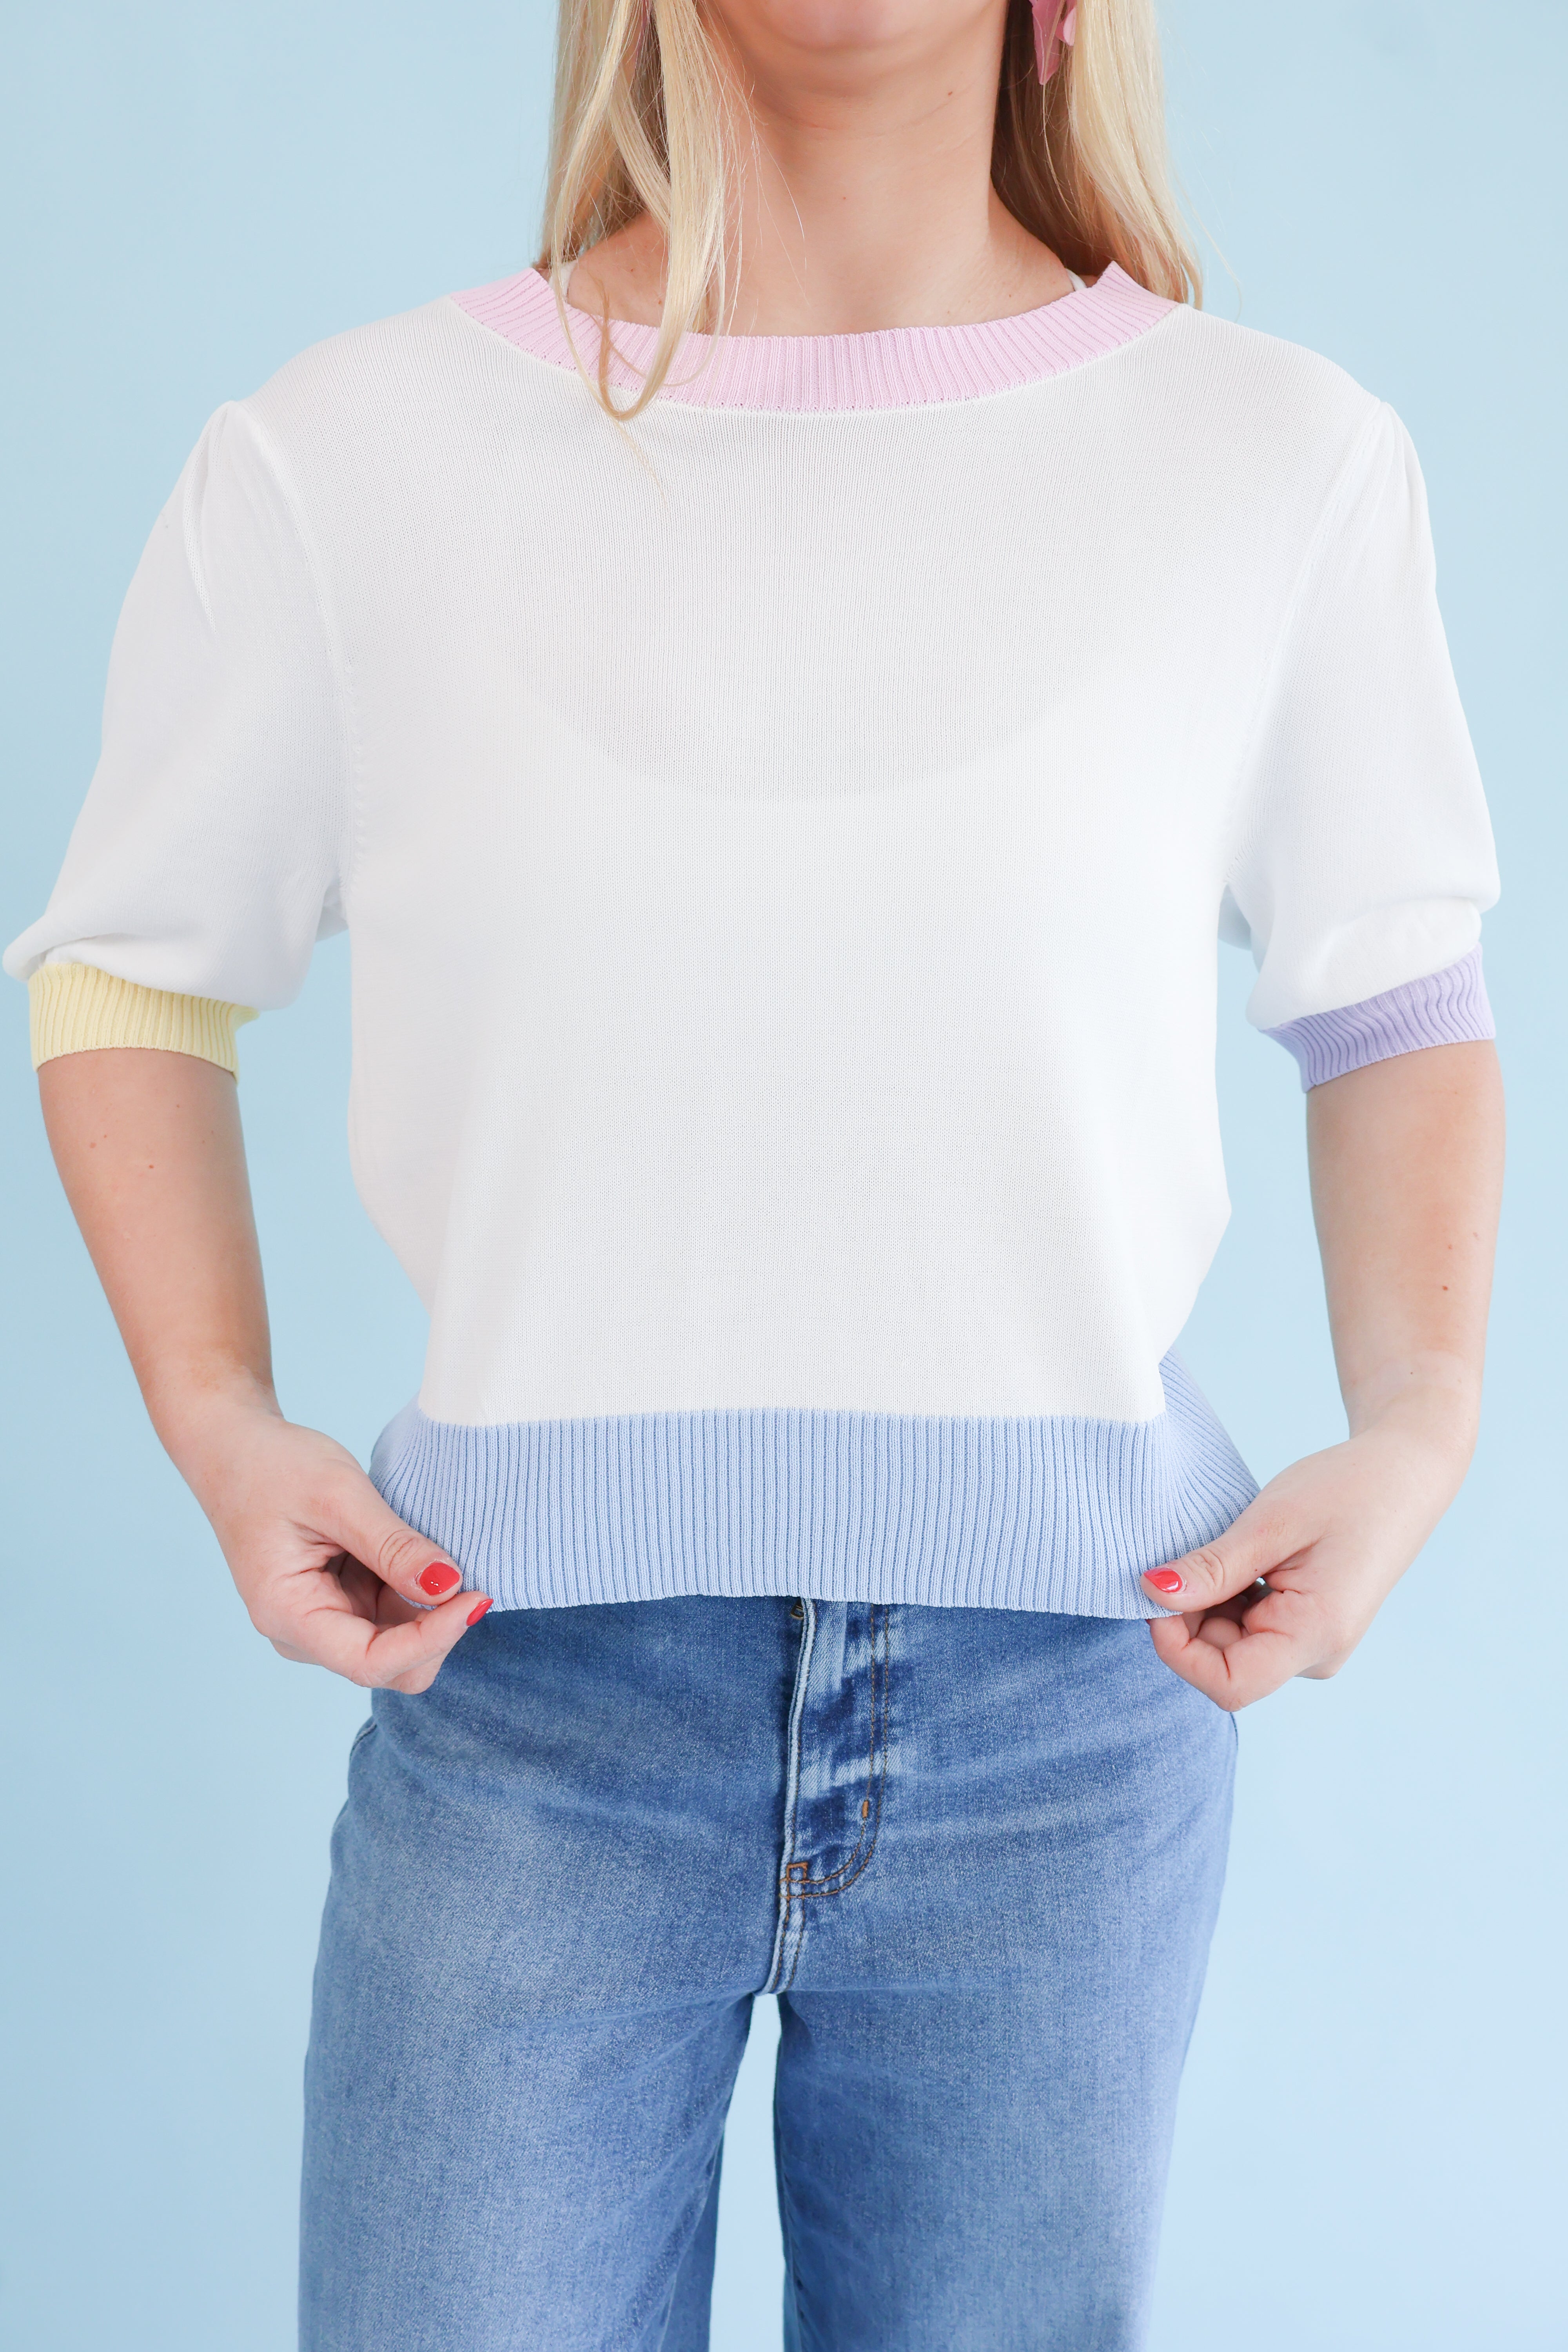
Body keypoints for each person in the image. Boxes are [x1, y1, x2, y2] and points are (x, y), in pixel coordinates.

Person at [6, 0, 1504, 2339]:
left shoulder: (1274, 464)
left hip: (1071, 1716)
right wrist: (218, 1421)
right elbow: (122, 980)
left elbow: (1399, 1008)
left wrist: (1420, 1424)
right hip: (522, 1696)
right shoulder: (350, 458)